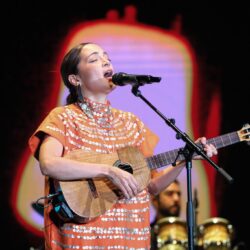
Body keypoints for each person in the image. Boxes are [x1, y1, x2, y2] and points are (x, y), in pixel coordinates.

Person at [28, 42, 218, 249]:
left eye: (107, 58)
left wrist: (184, 159)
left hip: (130, 234)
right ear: (75, 79)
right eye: (94, 59)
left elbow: (152, 185)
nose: (105, 61)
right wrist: (109, 171)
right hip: (84, 235)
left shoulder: (132, 123)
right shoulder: (63, 117)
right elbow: (49, 164)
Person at [150, 179, 182, 249]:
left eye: (178, 194)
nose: (176, 198)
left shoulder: (190, 234)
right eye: (170, 194)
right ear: (154, 200)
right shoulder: (146, 236)